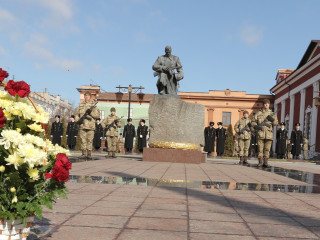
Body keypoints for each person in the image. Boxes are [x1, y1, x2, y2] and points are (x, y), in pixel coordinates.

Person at [251, 98, 278, 167]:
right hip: (260, 133)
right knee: (260, 149)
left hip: (269, 134)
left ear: (269, 105)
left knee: (267, 149)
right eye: (265, 104)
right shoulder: (258, 113)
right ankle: (260, 161)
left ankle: (266, 162)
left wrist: (272, 119)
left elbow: (276, 123)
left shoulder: (272, 114)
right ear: (263, 105)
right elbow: (253, 122)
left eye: (267, 104)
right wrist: (257, 126)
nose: (266, 105)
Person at [75, 91, 100, 159]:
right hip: (82, 125)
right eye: (85, 96)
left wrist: (90, 113)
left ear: (90, 97)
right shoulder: (81, 105)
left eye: (88, 96)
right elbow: (76, 114)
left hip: (90, 126)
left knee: (90, 140)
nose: (86, 97)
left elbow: (97, 115)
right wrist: (78, 120)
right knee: (83, 140)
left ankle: (89, 153)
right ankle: (83, 153)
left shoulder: (93, 105)